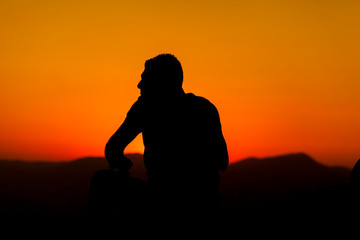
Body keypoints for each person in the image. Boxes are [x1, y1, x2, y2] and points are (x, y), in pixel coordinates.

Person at [103, 54, 229, 212]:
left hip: (168, 200)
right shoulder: (204, 108)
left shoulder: (145, 108)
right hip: (200, 200)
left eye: (146, 79)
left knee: (102, 183)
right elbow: (222, 161)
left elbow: (113, 148)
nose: (139, 85)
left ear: (163, 82)